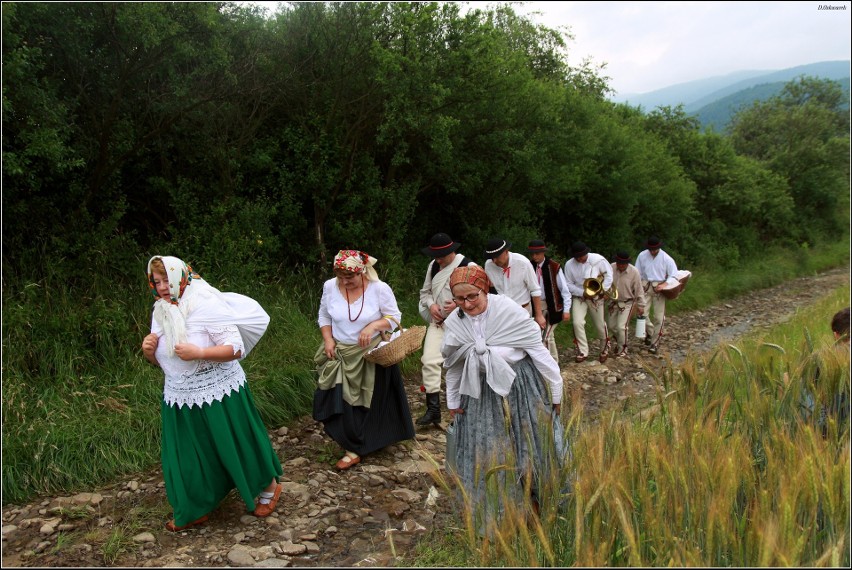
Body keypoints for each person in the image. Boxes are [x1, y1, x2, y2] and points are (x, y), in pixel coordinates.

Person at [141, 256, 283, 532]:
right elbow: (166, 361)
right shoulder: (161, 310)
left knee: (236, 442)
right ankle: (195, 506)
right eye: (155, 282)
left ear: (179, 277)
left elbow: (235, 348)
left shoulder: (205, 303)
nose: (160, 287)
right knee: (187, 453)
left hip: (220, 390)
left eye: (165, 281)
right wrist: (149, 352)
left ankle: (268, 486)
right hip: (180, 394)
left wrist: (201, 353)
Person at [441, 265, 565, 532]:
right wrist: (452, 402)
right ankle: (501, 513)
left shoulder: (509, 312)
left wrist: (556, 394)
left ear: (485, 289)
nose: (467, 304)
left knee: (530, 446)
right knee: (490, 452)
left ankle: (540, 505)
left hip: (519, 386)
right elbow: (454, 366)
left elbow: (541, 356)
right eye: (460, 299)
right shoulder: (455, 322)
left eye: (473, 296)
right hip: (481, 393)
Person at [313, 249, 416, 470]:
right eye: (341, 277)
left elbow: (394, 317)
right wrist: (328, 339)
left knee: (367, 400)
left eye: (349, 277)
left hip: (371, 354)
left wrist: (373, 326)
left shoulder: (379, 289)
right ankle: (352, 440)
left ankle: (357, 448)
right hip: (340, 352)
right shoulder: (330, 286)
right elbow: (324, 315)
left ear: (363, 272)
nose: (345, 282)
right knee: (334, 396)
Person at [416, 233, 477, 427]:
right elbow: (424, 292)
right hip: (438, 323)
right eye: (435, 255)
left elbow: (482, 299)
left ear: (452, 251)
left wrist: (459, 306)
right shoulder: (433, 266)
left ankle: (466, 409)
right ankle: (433, 410)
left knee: (464, 366)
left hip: (464, 326)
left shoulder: (469, 267)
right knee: (429, 361)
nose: (438, 259)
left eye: (441, 255)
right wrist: (431, 304)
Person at [562, 241, 614, 363]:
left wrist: (602, 291)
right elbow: (568, 284)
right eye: (577, 257)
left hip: (596, 296)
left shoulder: (598, 260)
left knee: (599, 324)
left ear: (587, 253)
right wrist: (582, 293)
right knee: (577, 322)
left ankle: (605, 348)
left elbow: (609, 276)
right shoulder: (569, 264)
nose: (580, 259)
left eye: (582, 256)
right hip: (580, 296)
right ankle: (582, 351)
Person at [483, 238, 546, 330]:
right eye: (492, 258)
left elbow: (535, 289)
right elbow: (490, 288)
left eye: (497, 256)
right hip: (501, 312)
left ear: (506, 251)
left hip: (522, 310)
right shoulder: (489, 265)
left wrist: (539, 315)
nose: (495, 261)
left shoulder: (523, 263)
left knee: (522, 341)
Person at [526, 239, 572, 361]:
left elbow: (564, 290)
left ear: (543, 253)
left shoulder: (554, 266)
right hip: (536, 306)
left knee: (545, 337)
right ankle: (554, 364)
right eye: (532, 254)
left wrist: (566, 310)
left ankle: (549, 367)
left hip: (553, 306)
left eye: (537, 253)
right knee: (547, 337)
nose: (534, 256)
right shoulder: (528, 266)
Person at [634, 236, 680, 354]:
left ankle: (655, 342)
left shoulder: (666, 258)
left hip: (659, 287)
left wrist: (665, 284)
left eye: (655, 249)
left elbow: (674, 275)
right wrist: (637, 287)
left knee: (659, 317)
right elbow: (637, 272)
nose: (653, 251)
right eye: (651, 249)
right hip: (645, 285)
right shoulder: (642, 255)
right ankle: (650, 332)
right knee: (641, 313)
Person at [606, 251, 646, 358]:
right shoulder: (611, 267)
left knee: (621, 327)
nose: (621, 265)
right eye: (619, 263)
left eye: (623, 264)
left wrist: (641, 305)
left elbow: (639, 289)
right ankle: (620, 341)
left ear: (627, 263)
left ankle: (623, 349)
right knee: (610, 326)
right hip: (613, 302)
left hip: (628, 302)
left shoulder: (634, 272)